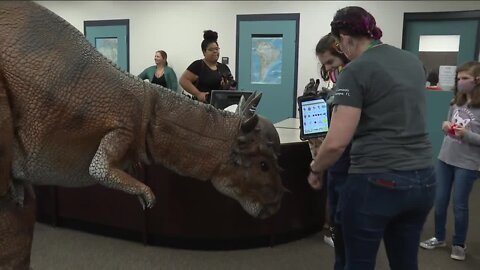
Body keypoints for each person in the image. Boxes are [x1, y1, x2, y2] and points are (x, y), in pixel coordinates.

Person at [307, 6, 435, 270]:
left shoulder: (356, 70)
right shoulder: (412, 61)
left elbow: (337, 142)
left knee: (358, 263)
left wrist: (316, 168)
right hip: (423, 179)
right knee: (405, 262)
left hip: (377, 180)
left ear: (344, 38)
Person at [420, 61, 480, 261]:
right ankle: (438, 237)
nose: (460, 82)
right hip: (446, 158)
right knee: (439, 200)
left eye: (465, 78)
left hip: (468, 163)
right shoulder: (456, 101)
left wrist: (467, 135)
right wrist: (446, 126)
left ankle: (458, 243)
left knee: (460, 205)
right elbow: (449, 125)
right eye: (458, 78)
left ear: (477, 80)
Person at [313, 32, 351, 270]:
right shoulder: (339, 87)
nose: (328, 70)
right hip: (339, 165)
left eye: (331, 63)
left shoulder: (351, 84)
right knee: (341, 229)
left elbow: (338, 139)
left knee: (348, 232)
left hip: (348, 163)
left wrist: (316, 167)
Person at [179, 30, 235, 103]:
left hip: (220, 106)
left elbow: (232, 86)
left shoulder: (223, 67)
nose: (215, 51)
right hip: (202, 107)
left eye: (217, 49)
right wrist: (198, 94)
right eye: (211, 50)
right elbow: (183, 80)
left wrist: (226, 86)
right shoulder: (198, 65)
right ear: (204, 52)